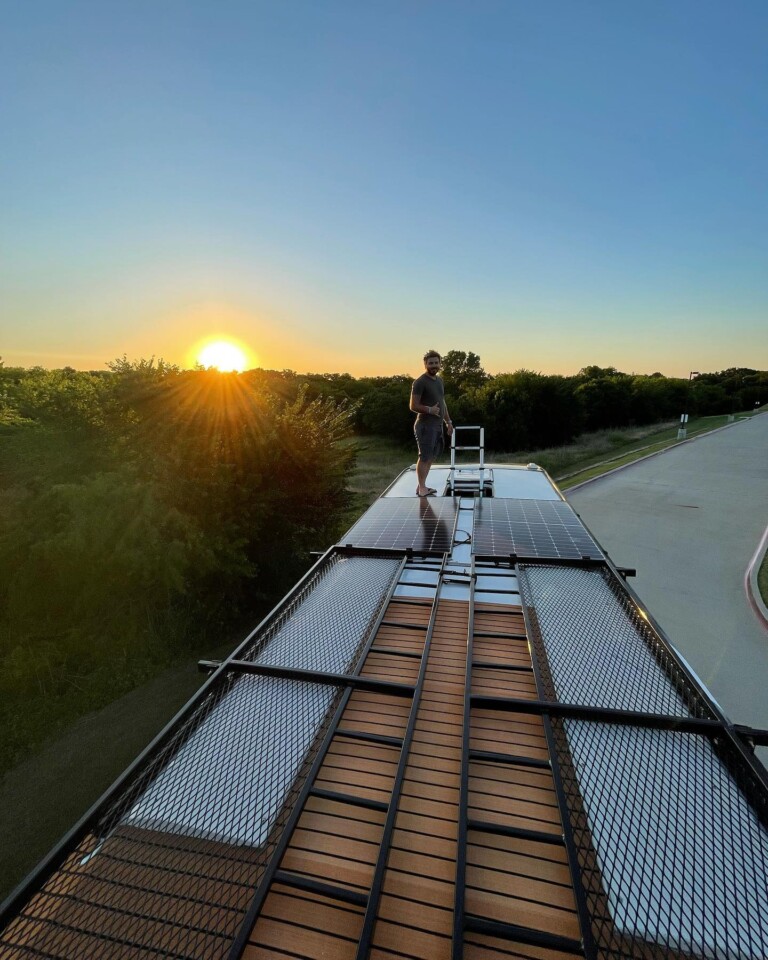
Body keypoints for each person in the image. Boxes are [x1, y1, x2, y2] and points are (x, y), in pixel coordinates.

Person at [410, 349, 453, 496]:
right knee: (424, 457)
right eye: (430, 363)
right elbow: (413, 405)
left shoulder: (439, 380)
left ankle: (421, 486)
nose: (434, 365)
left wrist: (448, 422)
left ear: (440, 364)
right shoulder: (420, 382)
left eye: (436, 363)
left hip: (437, 425)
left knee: (431, 457)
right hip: (425, 426)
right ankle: (422, 489)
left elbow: (442, 403)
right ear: (425, 364)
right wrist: (429, 409)